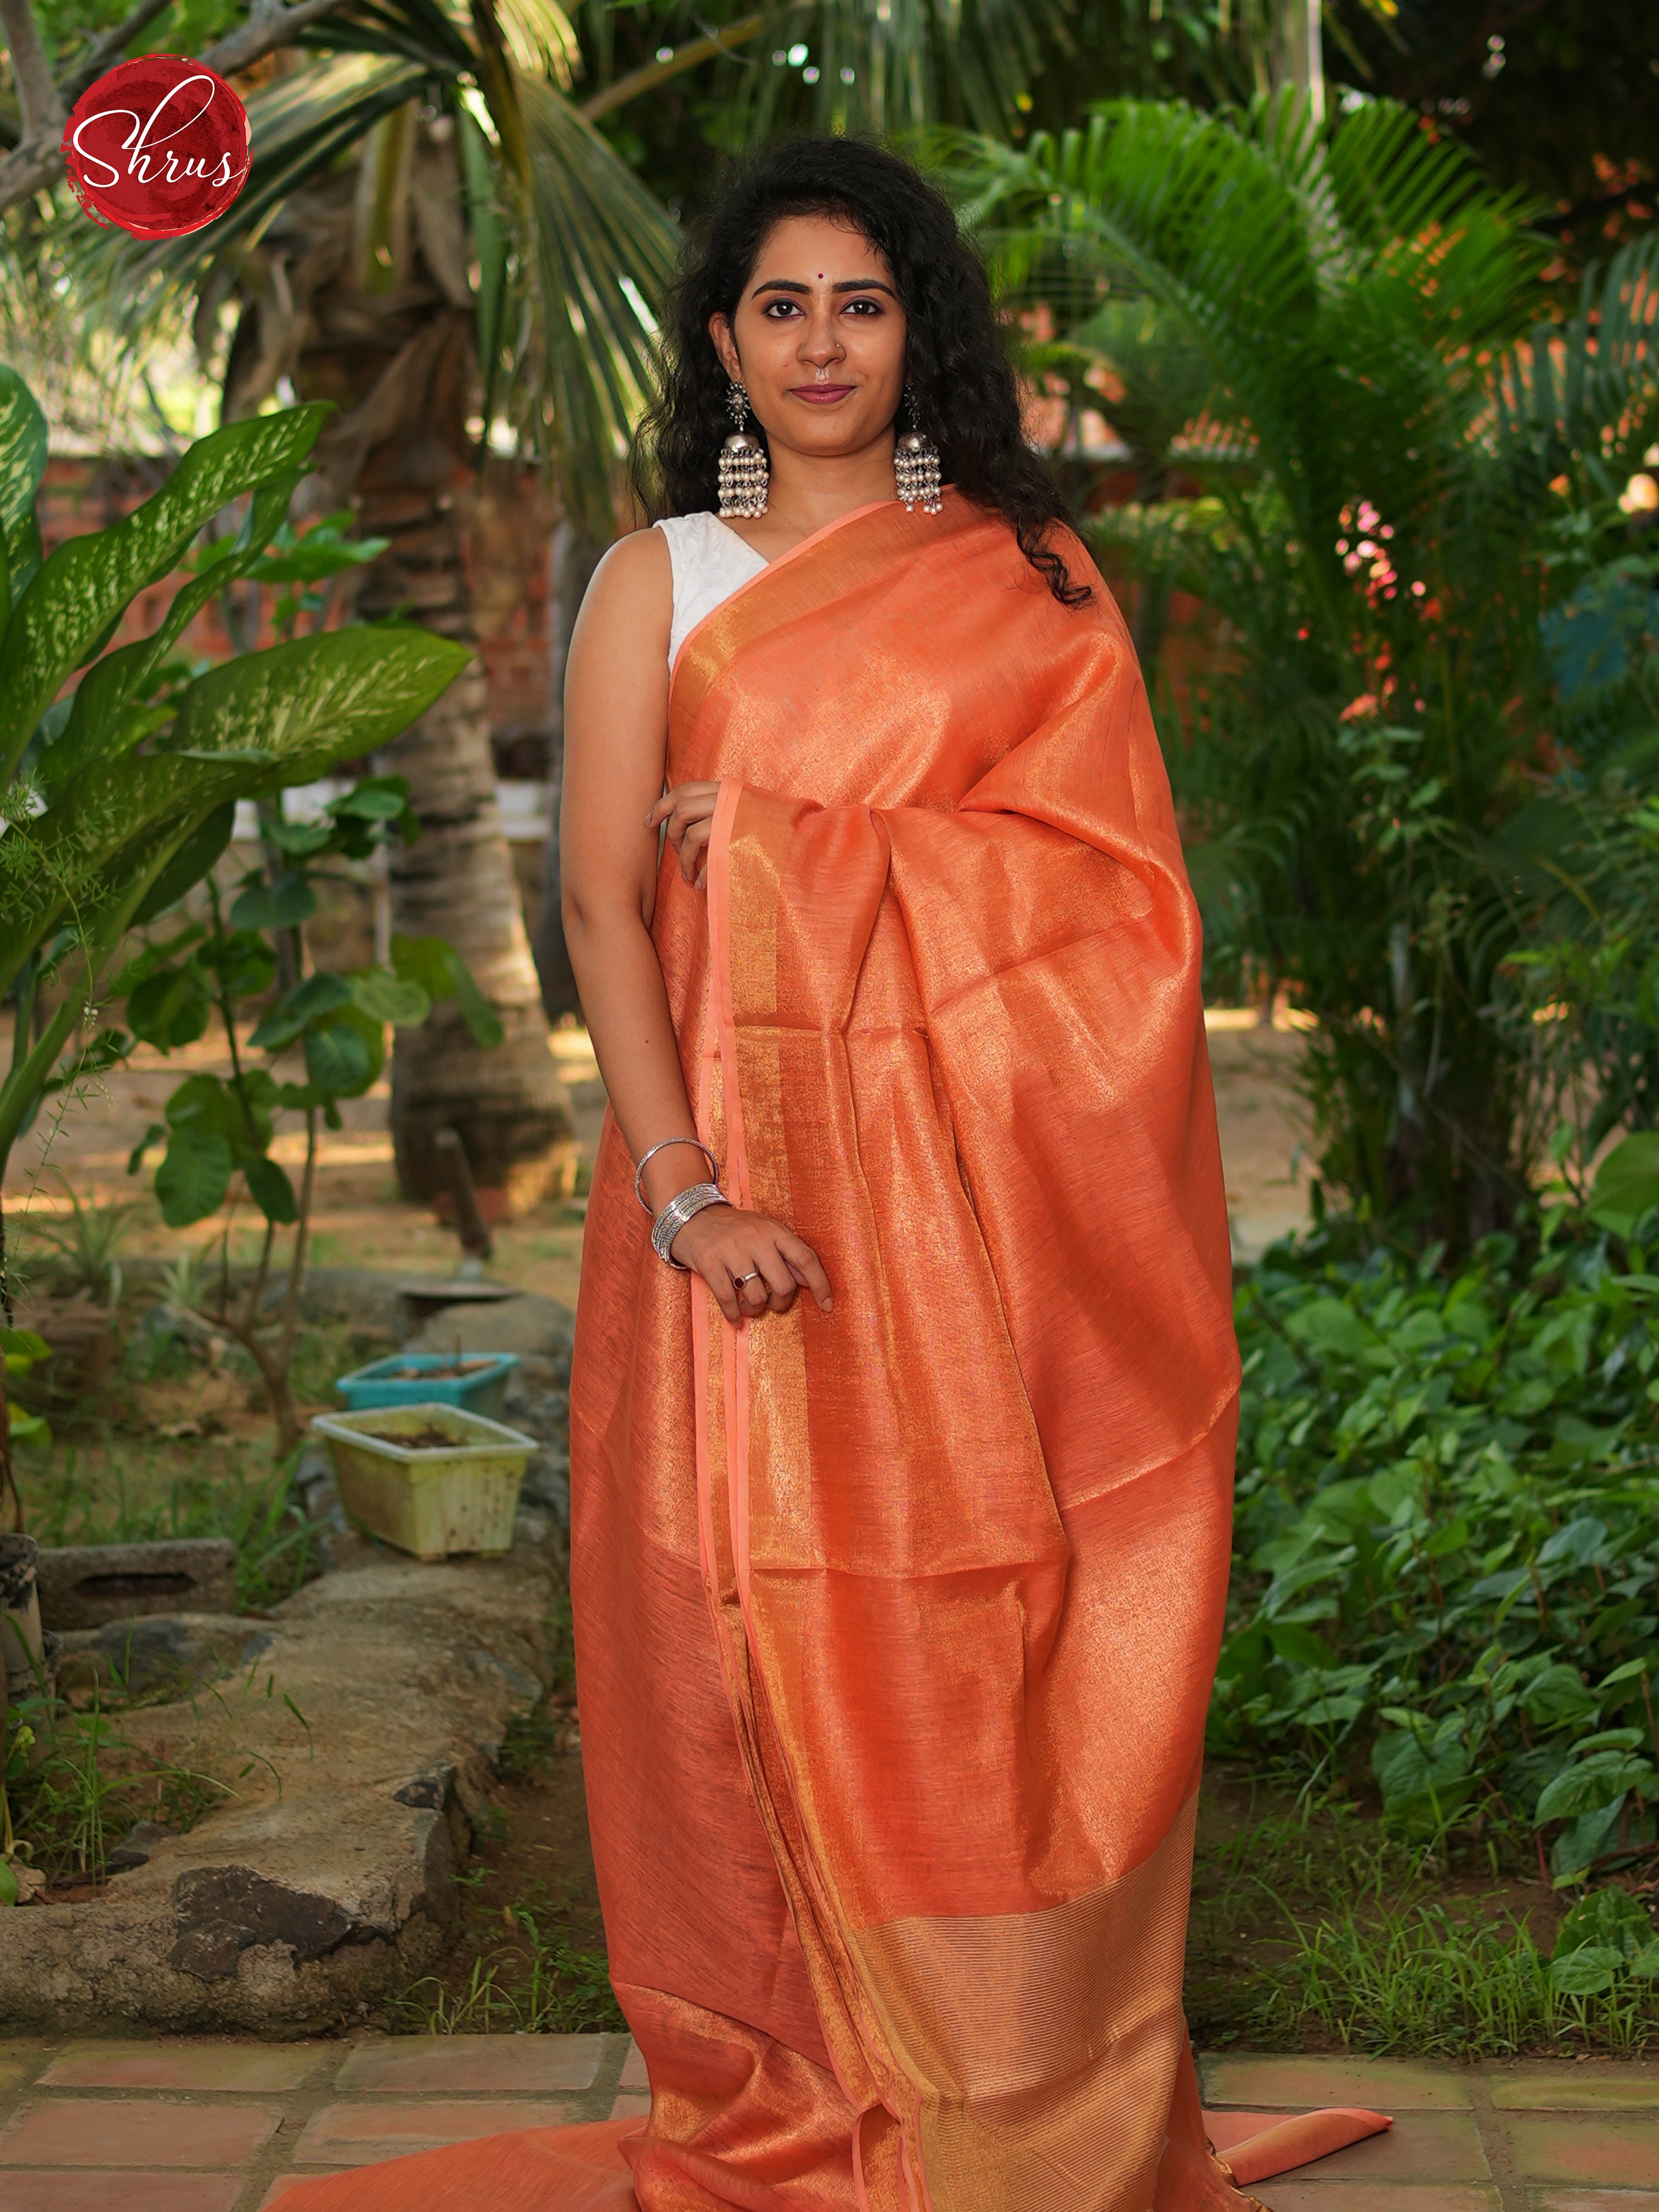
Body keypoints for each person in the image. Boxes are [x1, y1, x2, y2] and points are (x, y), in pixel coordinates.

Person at [282, 136, 1387, 2212]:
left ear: (919, 335)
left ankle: (1001, 2078)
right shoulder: (656, 579)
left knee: (982, 1634)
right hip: (724, 1211)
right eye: (778, 306)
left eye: (860, 304)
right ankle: (799, 2080)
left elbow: (1120, 921)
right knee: (731, 1634)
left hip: (971, 1238)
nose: (818, 343)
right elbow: (604, 903)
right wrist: (691, 1192)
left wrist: (803, 848)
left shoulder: (1027, 583)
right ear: (720, 341)